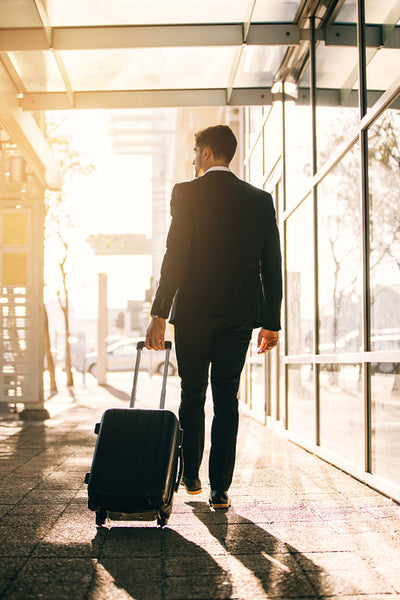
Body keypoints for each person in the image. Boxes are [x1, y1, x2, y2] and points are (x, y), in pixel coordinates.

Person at [145, 125, 282, 509]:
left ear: (206, 153)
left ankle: (190, 476)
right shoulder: (260, 199)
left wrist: (159, 312)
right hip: (239, 314)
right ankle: (220, 488)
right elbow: (271, 264)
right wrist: (271, 320)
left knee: (192, 392)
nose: (192, 160)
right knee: (226, 398)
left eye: (194, 152)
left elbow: (176, 254)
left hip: (193, 312)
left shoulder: (186, 193)